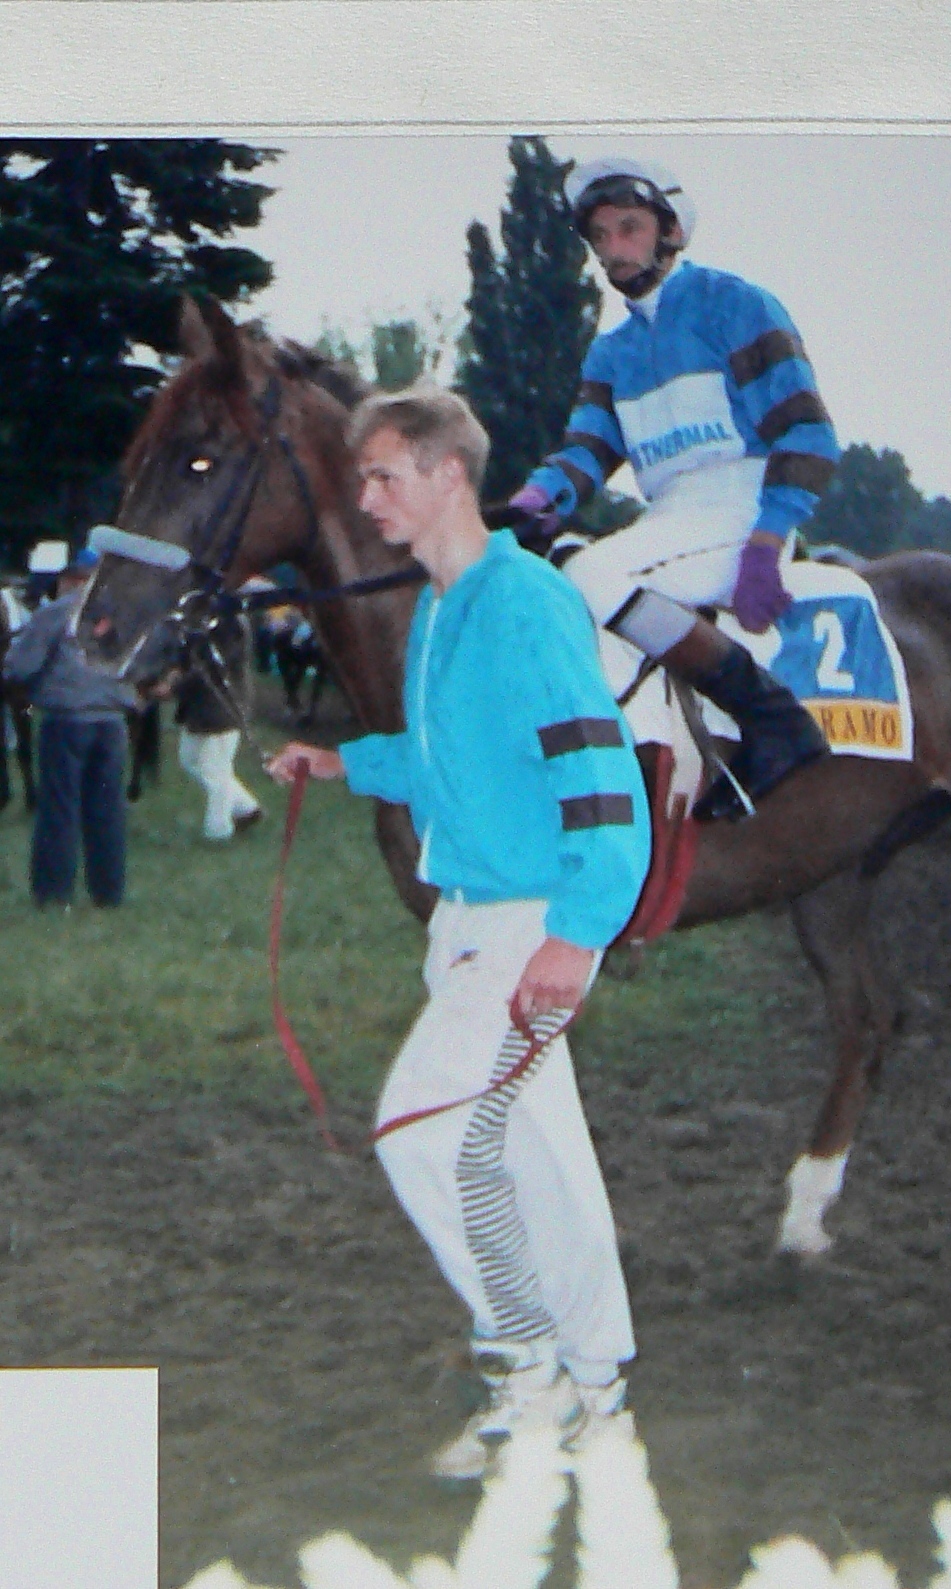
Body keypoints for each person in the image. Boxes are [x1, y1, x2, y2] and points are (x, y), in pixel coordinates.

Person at [267, 384, 651, 1481]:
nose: (367, 495)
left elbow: (600, 774)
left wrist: (575, 933)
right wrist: (346, 762)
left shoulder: (522, 599)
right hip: (470, 928)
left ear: (448, 474)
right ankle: (597, 1391)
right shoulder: (441, 605)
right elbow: (445, 757)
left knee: (424, 1132)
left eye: (385, 473)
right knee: (537, 1161)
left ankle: (526, 1379)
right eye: (363, 478)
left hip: (526, 930)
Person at [506, 155, 842, 822]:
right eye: (599, 236)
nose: (613, 249)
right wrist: (536, 498)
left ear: (671, 233)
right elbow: (587, 451)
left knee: (590, 572)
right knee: (558, 572)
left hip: (746, 506)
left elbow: (807, 434)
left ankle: (775, 721)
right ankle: (642, 762)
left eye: (628, 228)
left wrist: (767, 540)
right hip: (671, 518)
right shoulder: (611, 353)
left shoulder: (737, 305)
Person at [3, 546, 136, 907]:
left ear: (74, 579)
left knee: (60, 807)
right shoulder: (126, 617)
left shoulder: (58, 613)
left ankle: (54, 893)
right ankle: (108, 893)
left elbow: (21, 666)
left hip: (67, 720)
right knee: (107, 809)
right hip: (113, 721)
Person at [173, 611, 263, 840]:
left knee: (216, 770)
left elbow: (215, 665)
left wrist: (175, 686)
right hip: (200, 706)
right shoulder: (197, 616)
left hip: (224, 703)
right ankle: (245, 807)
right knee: (190, 759)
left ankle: (218, 831)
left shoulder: (230, 622)